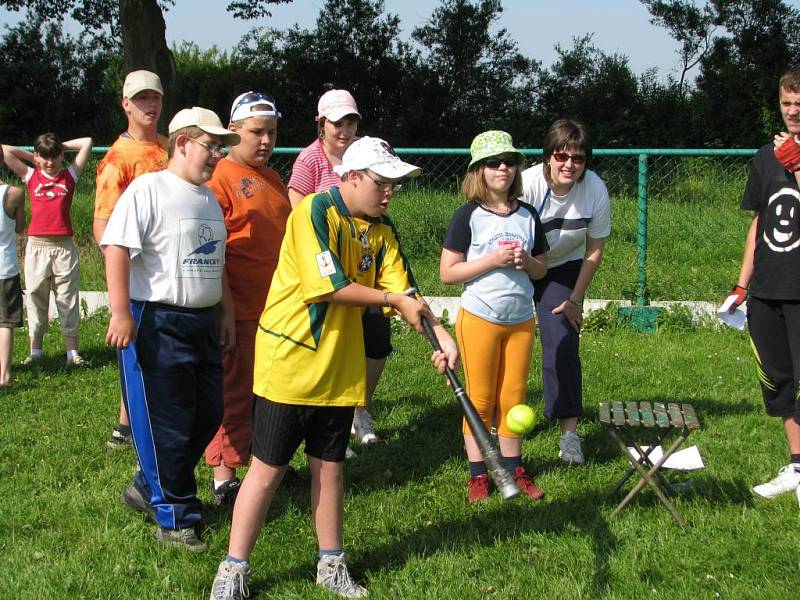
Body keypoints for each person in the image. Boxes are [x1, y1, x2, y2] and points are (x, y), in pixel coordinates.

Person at [209, 137, 458, 599]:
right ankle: (233, 568)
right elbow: (329, 287)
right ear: (352, 177)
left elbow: (408, 291)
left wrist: (440, 333)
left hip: (340, 372)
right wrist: (391, 301)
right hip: (291, 365)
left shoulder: (382, 229)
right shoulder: (314, 212)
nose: (389, 193)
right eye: (381, 183)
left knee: (330, 468)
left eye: (394, 185)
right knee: (268, 469)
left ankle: (331, 564)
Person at [101, 106, 239, 552]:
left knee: (208, 411)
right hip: (156, 320)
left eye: (221, 146)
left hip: (201, 322)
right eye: (211, 145)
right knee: (168, 422)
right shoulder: (149, 189)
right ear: (182, 143)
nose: (217, 154)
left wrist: (224, 312)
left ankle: (148, 482)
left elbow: (216, 263)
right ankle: (174, 516)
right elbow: (117, 247)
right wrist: (120, 311)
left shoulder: (208, 199)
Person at [440, 130, 548, 503]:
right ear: (478, 170)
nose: (502, 167)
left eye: (509, 161)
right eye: (492, 162)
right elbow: (447, 272)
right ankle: (479, 475)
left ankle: (515, 469)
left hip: (521, 319)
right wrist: (491, 260)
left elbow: (540, 269)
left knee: (514, 398)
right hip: (480, 318)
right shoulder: (468, 215)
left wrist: (527, 261)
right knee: (480, 399)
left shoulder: (528, 214)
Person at [203, 91, 291, 506]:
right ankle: (224, 478)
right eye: (257, 132)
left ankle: (263, 465)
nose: (266, 141)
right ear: (232, 130)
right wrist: (226, 308)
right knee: (233, 391)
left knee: (266, 394)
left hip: (274, 309)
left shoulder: (272, 178)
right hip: (236, 308)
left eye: (272, 133)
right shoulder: (218, 178)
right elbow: (213, 249)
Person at [288, 89, 384, 449]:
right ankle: (331, 423)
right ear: (321, 124)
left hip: (364, 262)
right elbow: (298, 212)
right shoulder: (309, 160)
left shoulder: (366, 151)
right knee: (333, 346)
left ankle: (360, 408)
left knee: (376, 340)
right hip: (326, 269)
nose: (344, 130)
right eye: (336, 122)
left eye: (351, 121)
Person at [723, 66, 800, 503]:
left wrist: (798, 162)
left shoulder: (790, 155)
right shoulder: (765, 157)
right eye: (787, 104)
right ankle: (796, 466)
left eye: (799, 106)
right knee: (780, 382)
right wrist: (741, 284)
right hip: (768, 287)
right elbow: (759, 223)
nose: (792, 112)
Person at [520, 119, 611, 466]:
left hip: (564, 268)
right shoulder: (525, 184)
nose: (569, 165)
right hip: (520, 263)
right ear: (547, 157)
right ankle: (495, 423)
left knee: (562, 341)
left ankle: (569, 434)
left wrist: (575, 299)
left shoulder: (595, 190)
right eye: (561, 156)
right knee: (505, 337)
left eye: (578, 158)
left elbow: (594, 250)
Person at [94, 69, 168, 450]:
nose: (149, 105)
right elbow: (103, 228)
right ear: (125, 105)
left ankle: (131, 422)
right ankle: (129, 426)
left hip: (171, 274)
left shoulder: (170, 148)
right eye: (141, 99)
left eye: (154, 97)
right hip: (140, 277)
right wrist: (121, 282)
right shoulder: (117, 159)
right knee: (138, 355)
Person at [1, 134, 93, 366]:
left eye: (54, 157)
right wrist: (34, 157)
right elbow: (5, 150)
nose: (50, 162)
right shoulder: (31, 175)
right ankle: (36, 351)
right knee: (35, 297)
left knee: (68, 299)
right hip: (37, 246)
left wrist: (60, 146)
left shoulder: (69, 175)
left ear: (61, 156)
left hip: (64, 247)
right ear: (38, 157)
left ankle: (72, 353)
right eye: (45, 157)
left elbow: (87, 143)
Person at [0, 146, 26, 386]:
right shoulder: (15, 194)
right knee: (5, 322)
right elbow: (20, 228)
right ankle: (4, 375)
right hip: (5, 267)